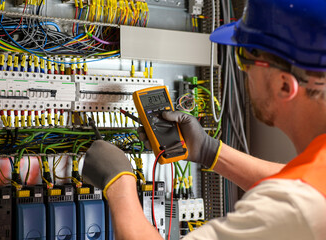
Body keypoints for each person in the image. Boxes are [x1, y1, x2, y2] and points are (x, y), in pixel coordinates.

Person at [82, 0, 326, 239]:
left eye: (244, 59)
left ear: (284, 85)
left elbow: (295, 196)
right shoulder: (307, 190)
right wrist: (210, 151)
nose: (244, 73)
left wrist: (119, 182)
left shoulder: (295, 206)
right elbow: (295, 180)